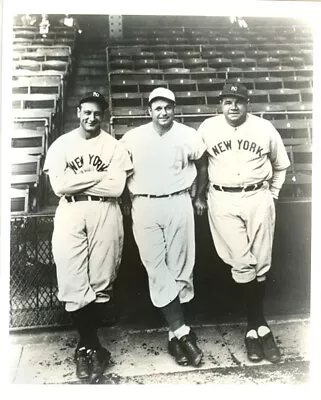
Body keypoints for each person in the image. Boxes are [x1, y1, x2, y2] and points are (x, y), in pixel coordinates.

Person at [194, 82, 291, 364]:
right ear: (220, 104)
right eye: (227, 101)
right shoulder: (208, 128)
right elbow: (198, 164)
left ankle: (254, 330)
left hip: (258, 195)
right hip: (222, 198)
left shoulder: (264, 128)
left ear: (247, 103)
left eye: (238, 101)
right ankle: (258, 322)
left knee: (261, 262)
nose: (233, 106)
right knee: (241, 260)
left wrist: (271, 195)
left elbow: (281, 165)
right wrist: (199, 195)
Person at [43, 91, 133, 383]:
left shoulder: (114, 146)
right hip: (70, 211)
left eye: (97, 113)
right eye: (87, 112)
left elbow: (117, 187)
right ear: (78, 111)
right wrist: (98, 179)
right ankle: (89, 346)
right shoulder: (61, 144)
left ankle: (88, 348)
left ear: (103, 115)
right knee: (72, 277)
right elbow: (59, 185)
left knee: (100, 279)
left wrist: (78, 182)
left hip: (105, 211)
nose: (92, 118)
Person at [120, 87, 206, 367]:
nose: (163, 112)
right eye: (158, 107)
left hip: (179, 201)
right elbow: (121, 170)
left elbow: (202, 163)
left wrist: (199, 195)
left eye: (168, 106)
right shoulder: (133, 138)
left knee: (181, 268)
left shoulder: (188, 135)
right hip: (144, 204)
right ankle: (183, 332)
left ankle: (174, 337)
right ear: (149, 111)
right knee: (156, 268)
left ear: (174, 108)